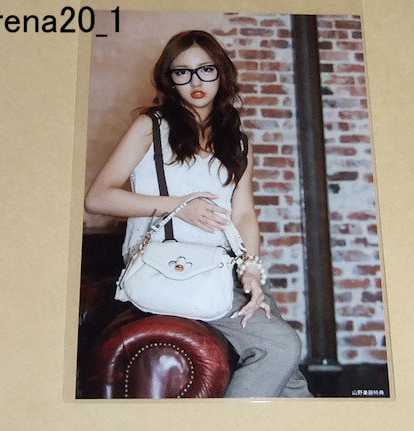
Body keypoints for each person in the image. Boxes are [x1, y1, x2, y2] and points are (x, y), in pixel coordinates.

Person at [85, 30, 311, 398]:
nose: (195, 82)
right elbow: (98, 197)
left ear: (221, 73)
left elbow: (244, 213)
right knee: (281, 347)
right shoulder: (151, 126)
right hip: (174, 264)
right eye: (182, 72)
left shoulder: (238, 141)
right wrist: (178, 205)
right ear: (169, 80)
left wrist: (252, 269)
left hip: (228, 266)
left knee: (292, 382)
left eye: (206, 70)